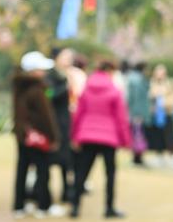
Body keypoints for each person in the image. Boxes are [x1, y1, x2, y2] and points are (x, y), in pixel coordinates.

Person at [70, 60, 131, 219]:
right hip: (109, 138)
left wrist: (75, 136)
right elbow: (121, 118)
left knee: (82, 172)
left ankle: (75, 206)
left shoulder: (87, 88)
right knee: (110, 174)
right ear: (110, 71)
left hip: (87, 136)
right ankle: (109, 207)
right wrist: (125, 140)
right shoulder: (114, 90)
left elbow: (78, 114)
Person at [12, 51, 61, 219]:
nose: (44, 72)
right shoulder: (37, 89)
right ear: (33, 70)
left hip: (23, 136)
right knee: (43, 172)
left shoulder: (19, 87)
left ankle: (19, 206)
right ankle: (44, 206)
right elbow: (46, 117)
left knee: (22, 171)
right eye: (41, 69)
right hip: (38, 138)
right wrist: (53, 137)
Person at [46, 48, 74, 204]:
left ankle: (66, 191)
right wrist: (65, 86)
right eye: (66, 57)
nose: (69, 60)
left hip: (65, 123)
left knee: (66, 159)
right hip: (53, 122)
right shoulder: (50, 75)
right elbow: (49, 95)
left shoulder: (68, 75)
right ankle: (43, 193)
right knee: (49, 159)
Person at [147, 64, 173, 165]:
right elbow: (149, 96)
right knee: (157, 135)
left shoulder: (171, 83)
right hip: (155, 114)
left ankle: (172, 154)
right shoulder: (151, 83)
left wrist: (165, 103)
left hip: (167, 112)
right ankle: (159, 154)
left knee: (170, 134)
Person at [127, 61, 151, 166]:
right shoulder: (138, 80)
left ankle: (137, 157)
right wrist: (137, 113)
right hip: (138, 113)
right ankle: (138, 158)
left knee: (136, 135)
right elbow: (136, 98)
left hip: (135, 112)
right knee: (139, 135)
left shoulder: (131, 79)